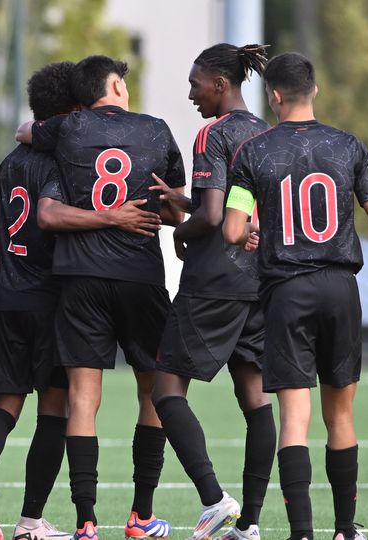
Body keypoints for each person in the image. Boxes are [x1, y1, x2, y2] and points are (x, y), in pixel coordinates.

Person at [222, 52, 368, 540]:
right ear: (314, 91)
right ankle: (344, 530)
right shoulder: (349, 146)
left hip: (287, 292)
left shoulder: (252, 152)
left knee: (295, 418)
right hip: (340, 289)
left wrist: (257, 227)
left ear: (273, 96)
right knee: (341, 414)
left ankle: (302, 533)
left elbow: (231, 231)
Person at [0, 61, 162, 540]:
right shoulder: (67, 159)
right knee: (55, 410)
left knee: (3, 407)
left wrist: (11, 266)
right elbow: (63, 217)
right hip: (56, 299)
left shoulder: (11, 161)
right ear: (74, 110)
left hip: (10, 300)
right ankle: (32, 519)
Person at [17, 55, 186, 540]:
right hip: (140, 276)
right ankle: (141, 515)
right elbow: (174, 204)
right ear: (114, 84)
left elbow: (25, 132)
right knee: (154, 391)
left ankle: (86, 522)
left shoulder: (68, 128)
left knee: (83, 400)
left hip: (79, 277)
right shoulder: (155, 129)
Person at [148, 43, 276, 540]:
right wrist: (186, 198)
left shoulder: (214, 132)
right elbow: (237, 207)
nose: (191, 93)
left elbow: (214, 217)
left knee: (166, 388)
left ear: (220, 84)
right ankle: (249, 524)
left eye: (195, 82)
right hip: (259, 280)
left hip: (214, 281)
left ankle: (213, 498)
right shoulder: (267, 133)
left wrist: (179, 228)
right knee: (256, 398)